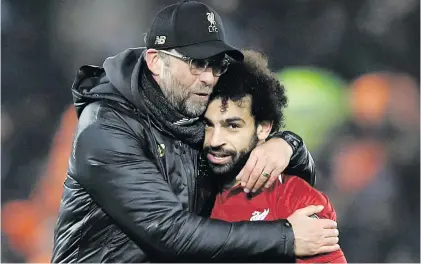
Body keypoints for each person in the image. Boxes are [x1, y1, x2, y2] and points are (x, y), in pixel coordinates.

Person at [51, 1, 338, 262]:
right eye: (196, 63)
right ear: (155, 61)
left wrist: (286, 146)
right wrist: (287, 237)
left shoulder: (196, 110)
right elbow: (168, 230)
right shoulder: (107, 126)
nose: (209, 78)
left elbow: (279, 183)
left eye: (216, 65)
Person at [205, 50, 346, 263]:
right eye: (208, 125)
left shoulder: (297, 199)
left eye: (232, 126)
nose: (215, 140)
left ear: (263, 128)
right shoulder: (183, 188)